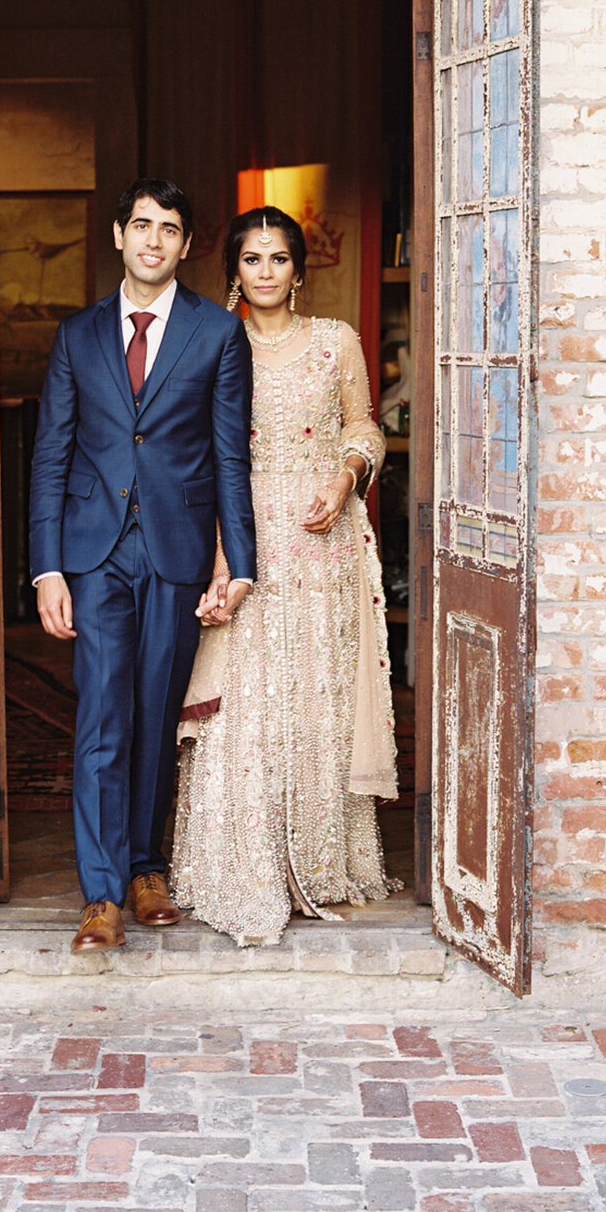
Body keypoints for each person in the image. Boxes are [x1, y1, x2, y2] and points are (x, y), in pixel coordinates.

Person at [28, 179, 256, 954]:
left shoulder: (217, 335)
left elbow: (231, 455)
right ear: (119, 236)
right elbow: (50, 456)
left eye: (170, 229)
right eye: (142, 226)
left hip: (175, 546)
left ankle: (146, 869)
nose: (154, 240)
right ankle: (100, 894)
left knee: (158, 713)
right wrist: (45, 567)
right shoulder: (77, 335)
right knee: (101, 715)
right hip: (94, 553)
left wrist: (241, 562)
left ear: (187, 246)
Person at [170, 207, 399, 947]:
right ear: (232, 273)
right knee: (246, 698)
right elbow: (199, 454)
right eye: (251, 260)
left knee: (316, 694)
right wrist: (218, 555)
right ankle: (242, 864)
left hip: (322, 533)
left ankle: (322, 861)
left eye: (278, 259)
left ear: (300, 269)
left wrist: (346, 478)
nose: (265, 272)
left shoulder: (336, 343)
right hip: (243, 531)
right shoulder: (210, 343)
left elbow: (365, 426)